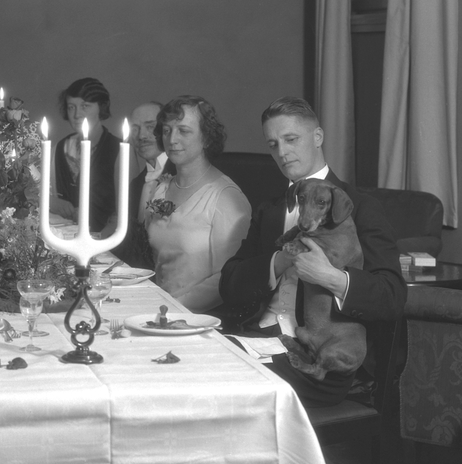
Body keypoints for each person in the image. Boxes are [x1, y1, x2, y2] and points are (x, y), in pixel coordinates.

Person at [219, 96, 406, 407]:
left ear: (318, 137)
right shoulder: (269, 209)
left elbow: (392, 296)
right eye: (273, 144)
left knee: (222, 375)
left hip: (322, 357)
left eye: (291, 139)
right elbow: (230, 284)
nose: (282, 152)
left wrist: (331, 277)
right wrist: (280, 261)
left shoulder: (361, 207)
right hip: (260, 337)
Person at [145, 96, 251, 312]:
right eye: (167, 130)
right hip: (157, 307)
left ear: (206, 138)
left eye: (183, 131)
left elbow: (227, 278)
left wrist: (172, 309)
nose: (172, 139)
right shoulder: (162, 189)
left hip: (200, 316)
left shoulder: (225, 198)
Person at [51, 77, 120, 234]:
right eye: (71, 107)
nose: (77, 115)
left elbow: (126, 211)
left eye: (85, 106)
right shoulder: (59, 148)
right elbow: (40, 193)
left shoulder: (119, 149)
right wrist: (50, 201)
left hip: (105, 239)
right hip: (63, 237)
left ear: (101, 107)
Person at [112, 101, 165, 269]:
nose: (141, 136)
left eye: (150, 127)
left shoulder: (184, 176)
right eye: (135, 128)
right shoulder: (135, 185)